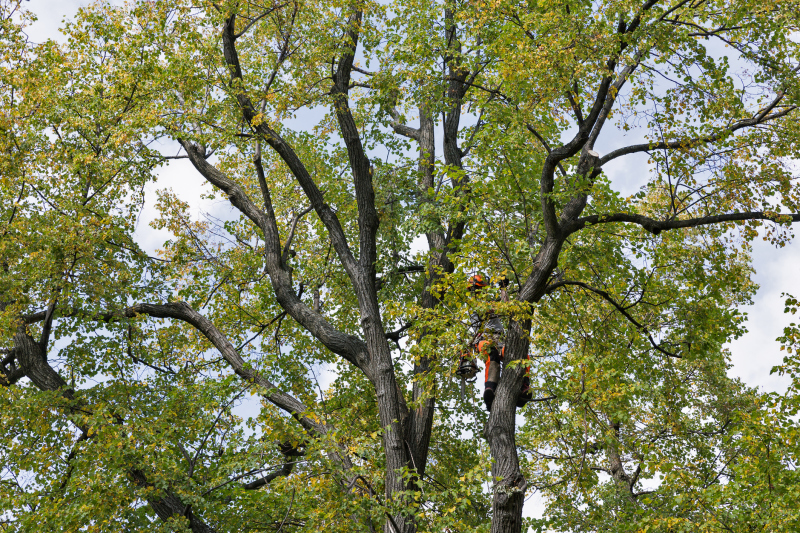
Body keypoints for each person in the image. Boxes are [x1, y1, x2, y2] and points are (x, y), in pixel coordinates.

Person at [464, 274, 532, 412]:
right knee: (492, 353)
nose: (479, 293)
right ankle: (490, 388)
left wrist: (503, 288)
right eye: (477, 290)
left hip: (500, 339)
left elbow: (506, 307)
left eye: (481, 290)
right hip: (483, 339)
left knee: (520, 355)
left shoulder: (488, 302)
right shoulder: (473, 304)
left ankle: (523, 386)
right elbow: (499, 308)